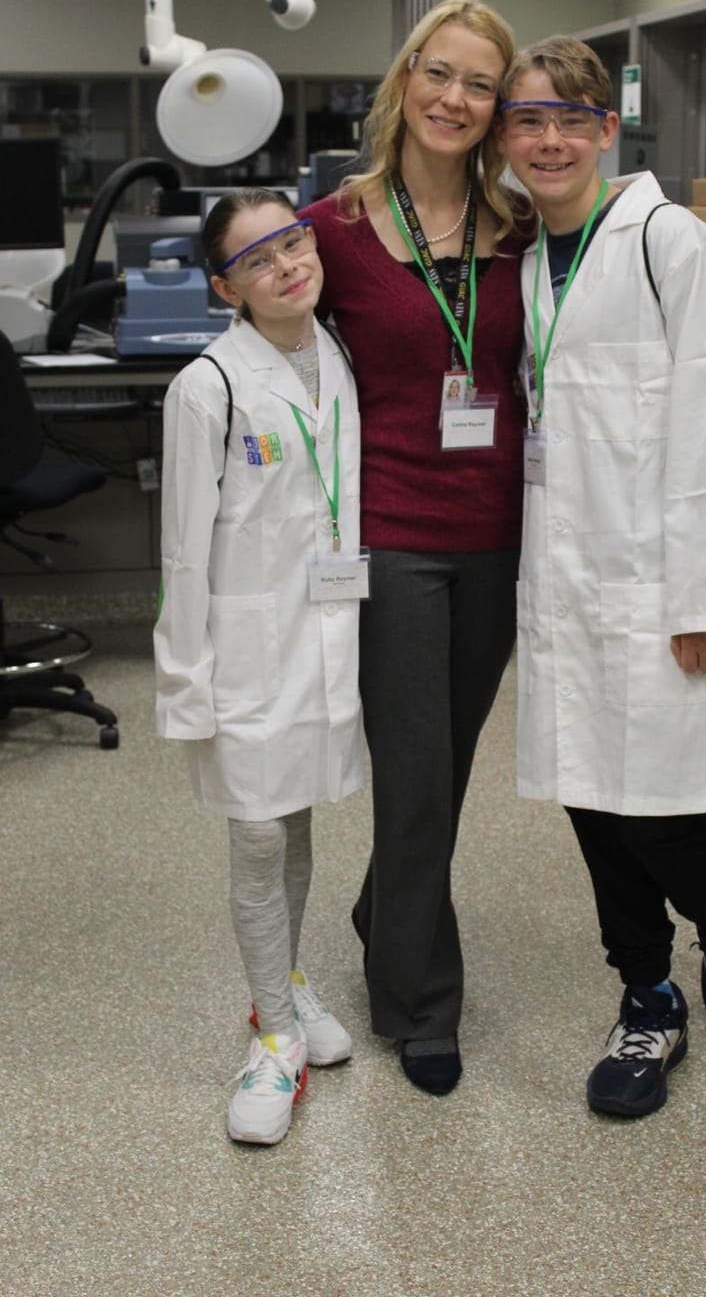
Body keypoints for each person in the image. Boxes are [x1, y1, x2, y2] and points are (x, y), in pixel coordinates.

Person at [497, 36, 706, 1119]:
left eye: (572, 119)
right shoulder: (529, 260)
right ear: (507, 137)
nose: (551, 139)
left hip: (660, 588)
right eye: (528, 120)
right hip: (563, 582)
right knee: (588, 799)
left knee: (654, 804)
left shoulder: (671, 244)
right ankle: (646, 998)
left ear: (608, 129)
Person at [300, 0, 529, 1095]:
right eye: (439, 73)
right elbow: (269, 358)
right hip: (387, 533)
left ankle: (379, 907)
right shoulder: (332, 228)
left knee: (443, 762)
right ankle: (419, 1003)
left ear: (496, 107)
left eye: (479, 84)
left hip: (495, 533)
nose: (454, 98)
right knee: (415, 773)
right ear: (405, 79)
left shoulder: (521, 228)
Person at [154, 189, 365, 1144]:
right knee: (256, 835)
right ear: (224, 286)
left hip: (323, 631)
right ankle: (273, 1038)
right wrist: (185, 683)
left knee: (298, 812)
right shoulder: (209, 384)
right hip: (243, 649)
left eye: (293, 240)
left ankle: (285, 980)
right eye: (258, 258)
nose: (287, 265)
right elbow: (183, 552)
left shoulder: (340, 358)